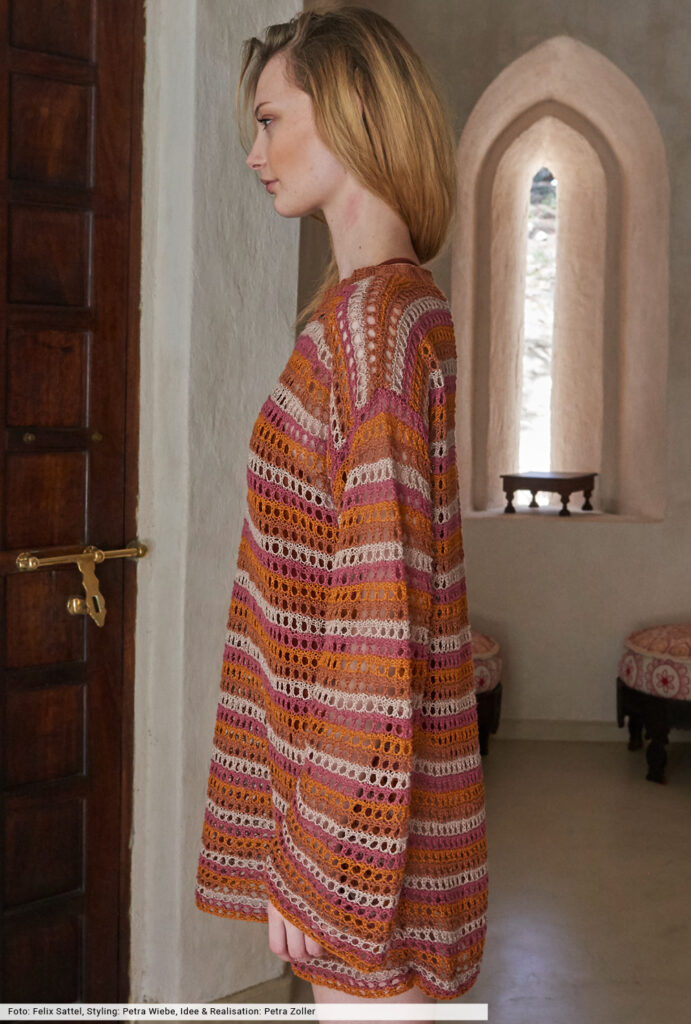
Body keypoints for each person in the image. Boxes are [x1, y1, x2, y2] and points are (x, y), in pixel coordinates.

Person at [195, 5, 488, 1019]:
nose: (254, 153)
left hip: (367, 864)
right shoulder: (395, 309)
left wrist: (324, 867)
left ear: (352, 113)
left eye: (271, 120)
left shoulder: (371, 329)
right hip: (380, 837)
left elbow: (377, 625)